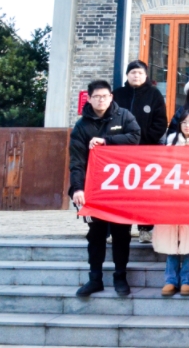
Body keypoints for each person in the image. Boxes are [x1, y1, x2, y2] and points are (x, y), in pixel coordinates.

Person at [69, 80, 141, 297]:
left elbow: (135, 137)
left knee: (122, 233)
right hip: (94, 190)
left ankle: (120, 276)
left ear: (111, 97)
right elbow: (77, 161)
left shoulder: (124, 116)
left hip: (121, 187)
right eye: (97, 96)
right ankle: (95, 278)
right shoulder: (81, 126)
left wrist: (106, 141)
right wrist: (77, 189)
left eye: (105, 96)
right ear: (89, 99)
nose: (101, 100)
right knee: (96, 234)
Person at [111, 60, 168, 244]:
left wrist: (145, 140)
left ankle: (145, 229)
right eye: (133, 72)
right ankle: (120, 228)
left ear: (146, 75)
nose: (136, 76)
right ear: (127, 75)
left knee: (146, 192)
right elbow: (109, 120)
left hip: (146, 152)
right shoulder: (117, 94)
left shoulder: (154, 94)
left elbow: (160, 122)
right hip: (121, 152)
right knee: (121, 192)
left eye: (140, 73)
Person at [156, 110, 189, 297]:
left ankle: (188, 279)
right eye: (184, 122)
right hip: (172, 197)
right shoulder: (170, 142)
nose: (187, 126)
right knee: (171, 237)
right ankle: (170, 279)